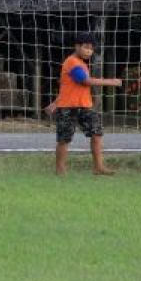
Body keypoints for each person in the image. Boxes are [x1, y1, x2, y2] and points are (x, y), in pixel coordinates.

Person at [45, 31, 121, 176]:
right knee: (64, 139)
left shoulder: (82, 64)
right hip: (68, 107)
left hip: (85, 105)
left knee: (97, 134)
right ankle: (60, 171)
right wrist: (111, 81)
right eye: (86, 47)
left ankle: (98, 167)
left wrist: (55, 102)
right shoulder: (72, 62)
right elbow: (84, 81)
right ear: (77, 46)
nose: (89, 51)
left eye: (91, 49)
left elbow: (68, 87)